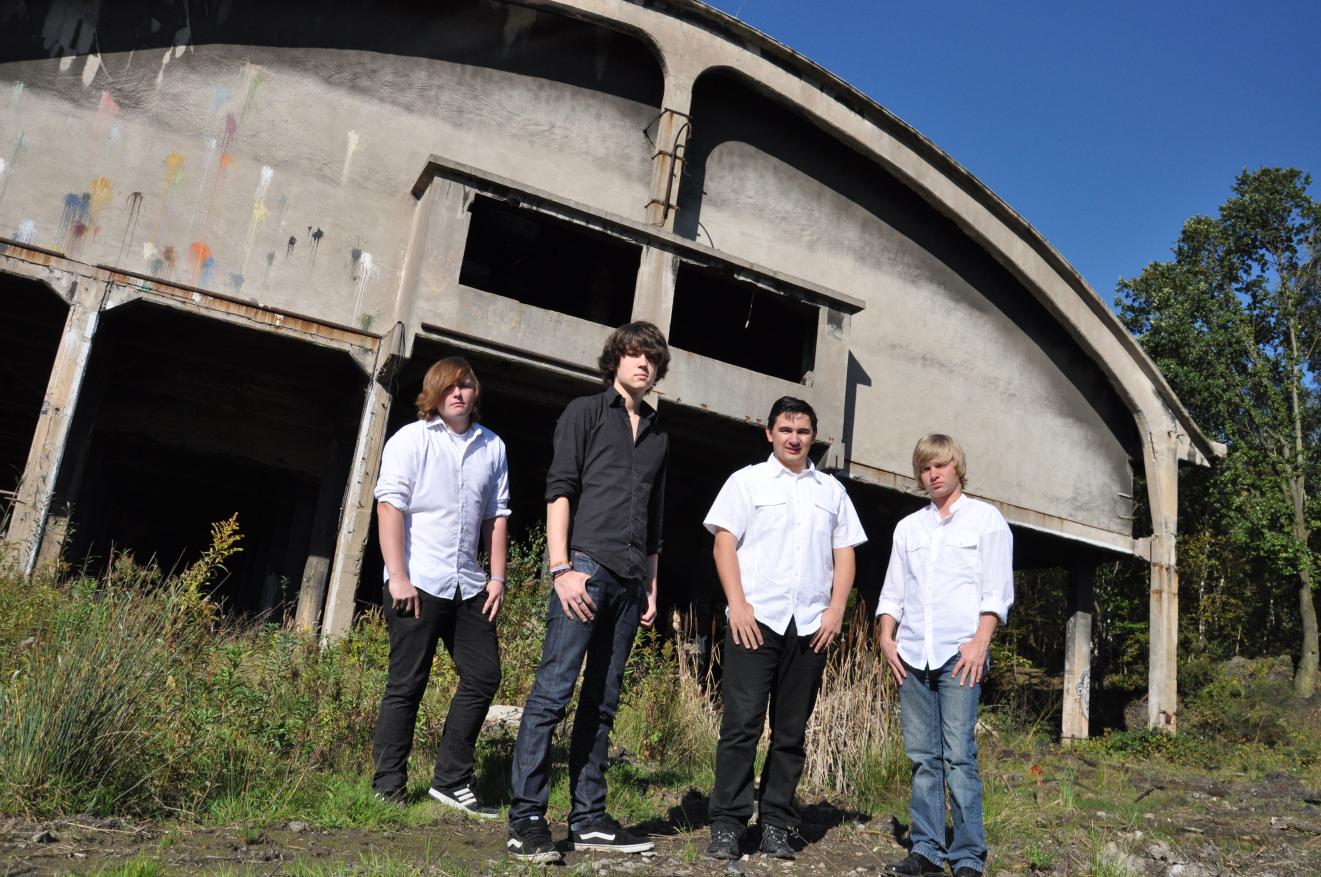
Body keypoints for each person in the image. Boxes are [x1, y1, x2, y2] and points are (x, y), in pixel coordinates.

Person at [506, 321, 671, 864]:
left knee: (602, 702)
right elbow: (560, 489)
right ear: (616, 359)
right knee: (553, 692)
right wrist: (561, 568)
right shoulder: (584, 412)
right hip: (585, 568)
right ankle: (527, 820)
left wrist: (651, 585)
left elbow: (655, 517)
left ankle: (589, 818)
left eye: (652, 358)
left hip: (630, 579)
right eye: (635, 354)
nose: (643, 364)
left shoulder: (659, 435)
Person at [703, 396, 866, 861]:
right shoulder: (746, 481)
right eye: (786, 430)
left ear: (814, 437)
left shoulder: (831, 491)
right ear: (769, 433)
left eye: (803, 431)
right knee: (741, 726)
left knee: (791, 731)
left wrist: (837, 610)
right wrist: (738, 605)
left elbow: (845, 552)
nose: (794, 439)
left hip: (811, 625)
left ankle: (776, 823)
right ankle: (727, 825)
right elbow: (724, 543)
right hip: (755, 621)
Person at [370, 357, 510, 818]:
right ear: (434, 392)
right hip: (418, 581)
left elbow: (496, 515)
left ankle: (451, 780)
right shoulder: (411, 439)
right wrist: (398, 577)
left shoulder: (492, 446)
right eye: (449, 386)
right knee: (407, 683)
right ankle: (387, 786)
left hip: (467, 585)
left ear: (475, 392)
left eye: (465, 385)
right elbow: (390, 506)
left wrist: (496, 576)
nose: (458, 393)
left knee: (484, 675)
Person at [876, 435, 1013, 877]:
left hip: (960, 655)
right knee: (923, 757)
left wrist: (980, 643)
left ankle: (968, 855)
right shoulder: (908, 528)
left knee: (958, 756)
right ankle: (928, 850)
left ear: (957, 467)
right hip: (913, 654)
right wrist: (886, 636)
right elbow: (894, 590)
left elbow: (996, 591)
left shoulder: (986, 521)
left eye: (940, 465)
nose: (932, 474)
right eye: (924, 468)